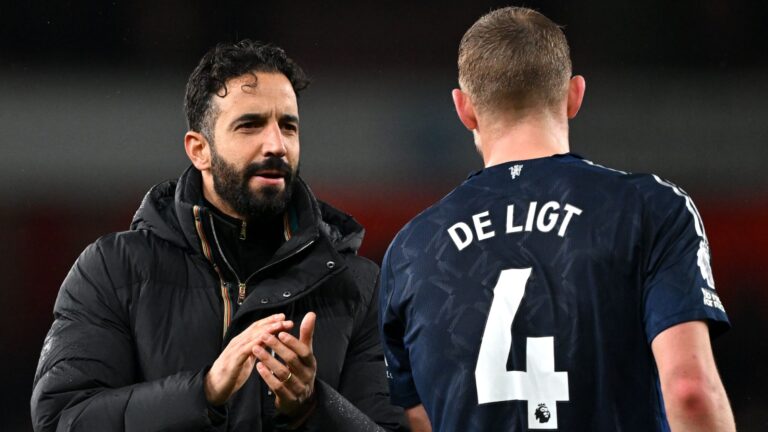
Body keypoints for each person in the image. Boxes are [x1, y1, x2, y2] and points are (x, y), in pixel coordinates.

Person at [379, 7, 735, 432]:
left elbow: (417, 419)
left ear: (464, 109)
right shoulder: (649, 207)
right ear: (574, 96)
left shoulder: (412, 248)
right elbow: (690, 392)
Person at [31, 40, 407, 432]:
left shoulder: (357, 286)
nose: (276, 145)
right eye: (250, 125)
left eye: (288, 126)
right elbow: (63, 419)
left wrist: (311, 407)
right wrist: (205, 391)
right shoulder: (113, 271)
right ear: (199, 150)